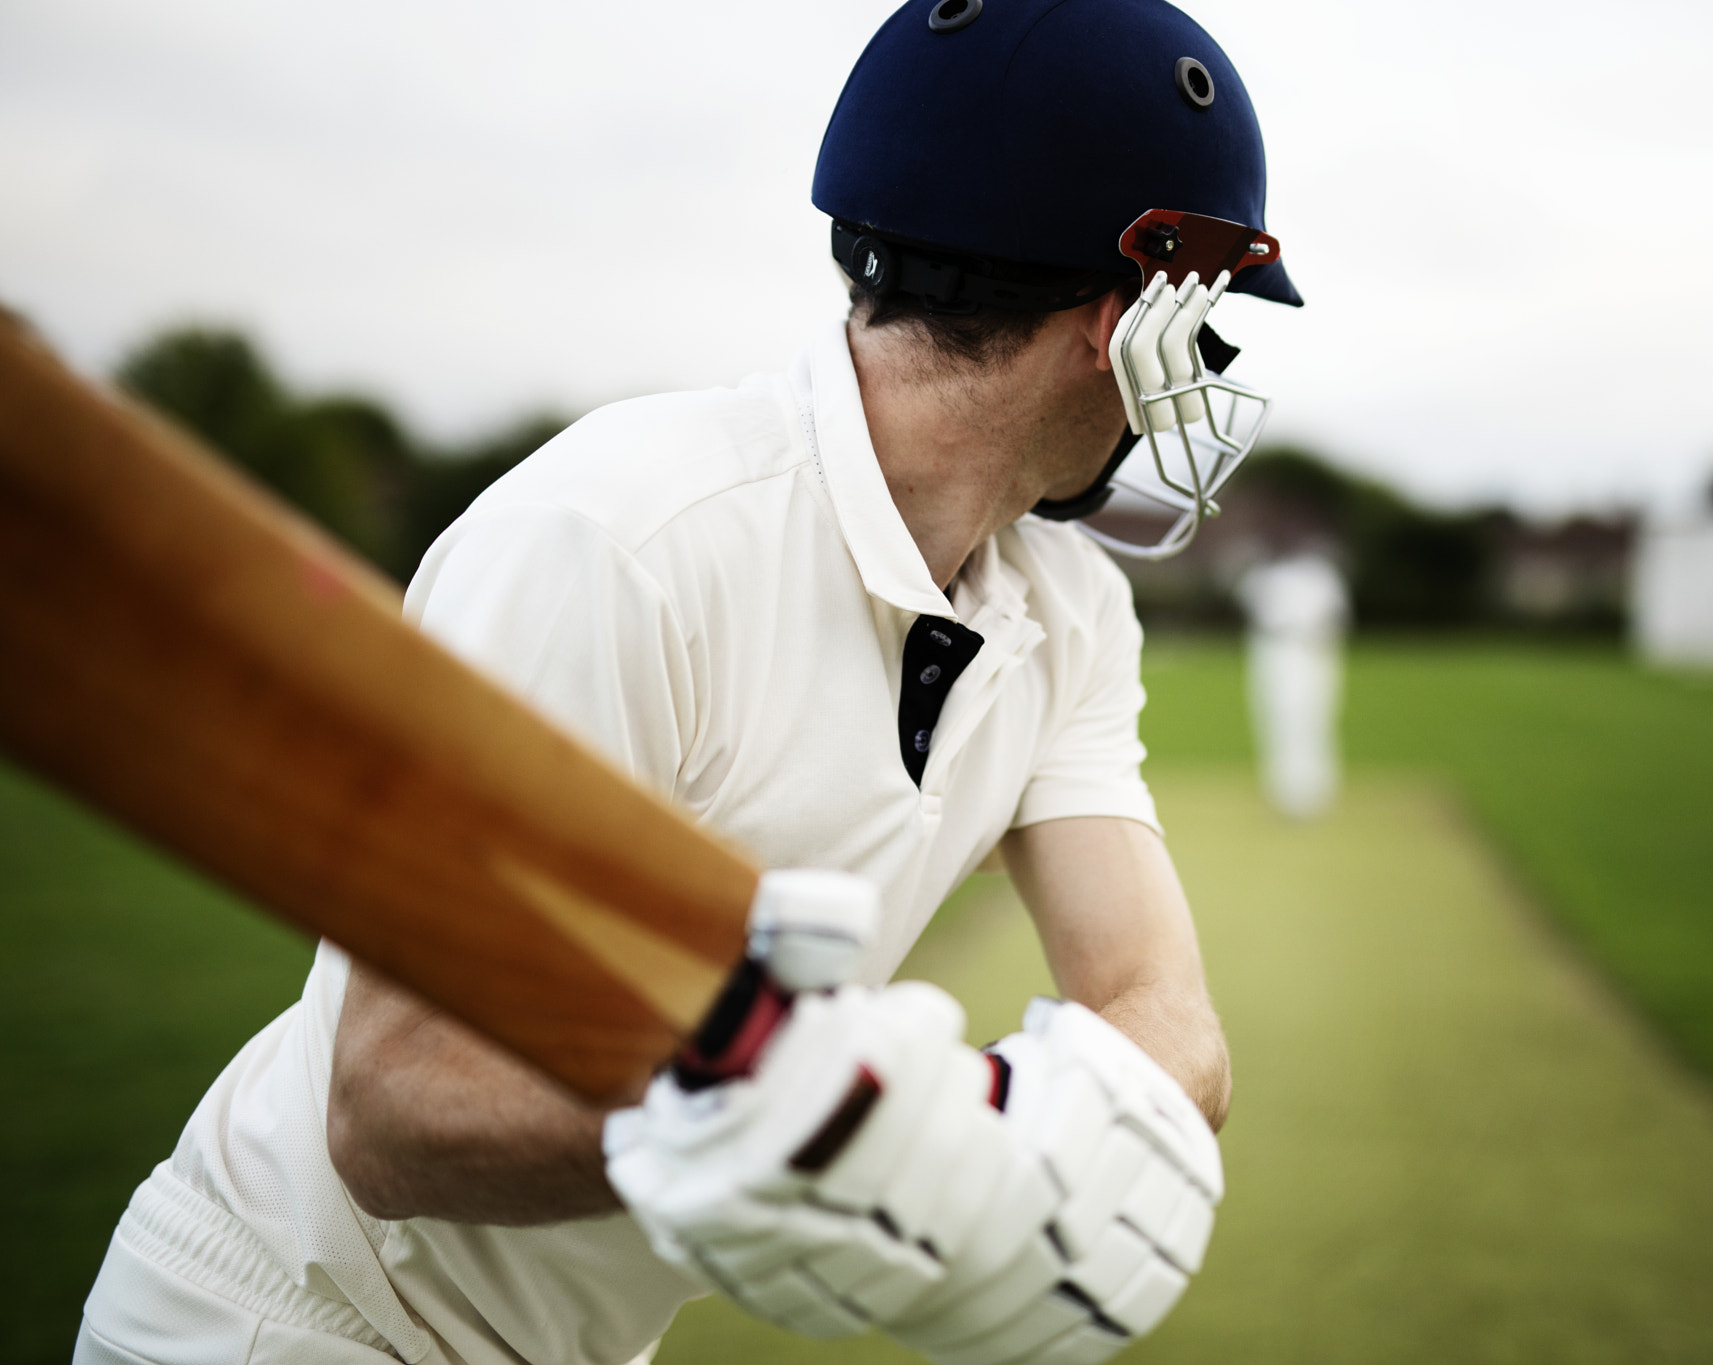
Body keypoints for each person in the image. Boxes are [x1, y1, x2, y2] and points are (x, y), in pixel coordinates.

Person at [74, 2, 1301, 1362]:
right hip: (289, 1318)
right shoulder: (617, 537)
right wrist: (802, 1124)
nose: (1205, 373)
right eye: (1212, 325)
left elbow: (1166, 1019)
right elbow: (392, 1111)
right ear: (1128, 314)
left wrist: (969, 1121)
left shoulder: (1069, 609)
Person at [1236, 555, 1350, 820]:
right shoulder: (1266, 574)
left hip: (1312, 652)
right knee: (1275, 719)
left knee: (1313, 719)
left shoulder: (1321, 575)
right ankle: (1283, 790)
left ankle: (1313, 789)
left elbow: (1336, 617)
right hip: (1275, 652)